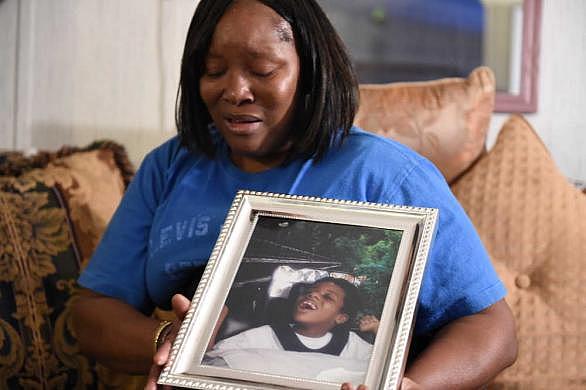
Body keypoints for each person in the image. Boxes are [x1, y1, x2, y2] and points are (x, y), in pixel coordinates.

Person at [71, 0, 517, 389]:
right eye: (213, 71)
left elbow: (491, 327)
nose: (234, 91)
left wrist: (414, 385)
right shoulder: (169, 166)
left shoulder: (389, 176)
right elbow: (91, 312)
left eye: (262, 70)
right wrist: (167, 341)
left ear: (311, 71)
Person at [206, 277, 374, 366]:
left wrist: (378, 330)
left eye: (328, 297)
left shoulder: (351, 345)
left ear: (341, 317)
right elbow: (212, 359)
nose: (312, 295)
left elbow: (385, 368)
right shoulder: (266, 334)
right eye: (310, 291)